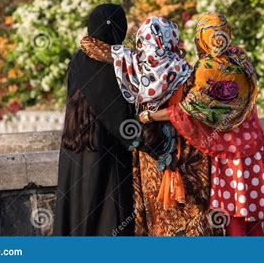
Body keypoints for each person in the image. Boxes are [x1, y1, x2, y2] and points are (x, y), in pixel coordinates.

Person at [143, 12, 264, 236]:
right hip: (254, 148)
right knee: (251, 219)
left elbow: (187, 111)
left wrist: (149, 116)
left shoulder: (207, 70)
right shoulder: (240, 58)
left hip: (228, 155)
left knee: (234, 218)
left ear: (202, 37)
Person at [80, 16, 220, 236]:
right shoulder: (187, 72)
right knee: (193, 219)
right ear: (170, 39)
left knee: (158, 220)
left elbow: (97, 49)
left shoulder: (135, 70)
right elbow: (198, 113)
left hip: (152, 160)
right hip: (189, 157)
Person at [54, 4, 138, 236]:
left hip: (75, 149)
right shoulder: (108, 65)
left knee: (77, 216)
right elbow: (120, 120)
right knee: (106, 220)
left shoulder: (78, 59)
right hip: (103, 152)